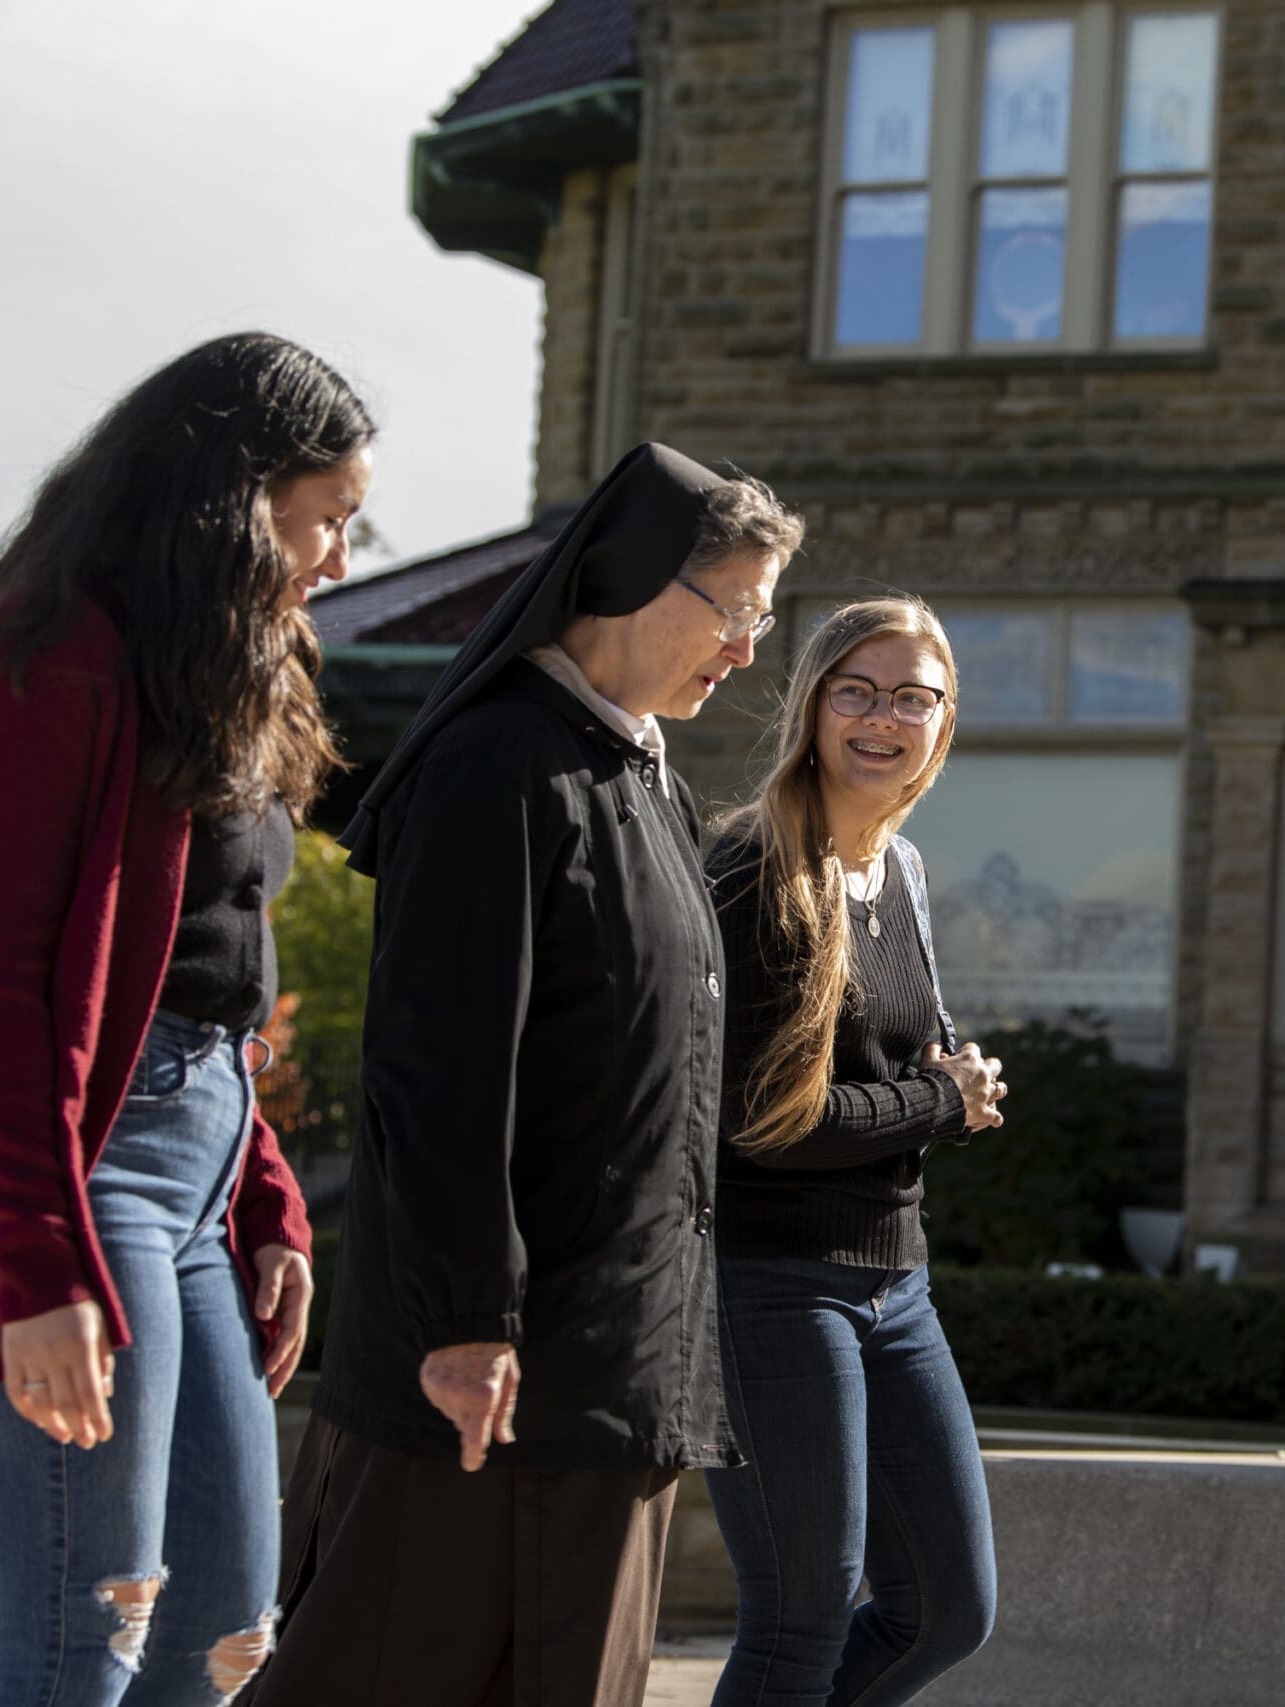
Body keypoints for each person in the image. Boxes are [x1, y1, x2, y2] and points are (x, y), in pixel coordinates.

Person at [245, 444, 803, 1707]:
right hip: (486, 1382)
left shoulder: (646, 772)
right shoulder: (496, 766)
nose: (748, 650)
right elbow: (439, 1070)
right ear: (628, 577)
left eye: (767, 618)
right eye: (734, 610)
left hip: (608, 1374)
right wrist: (463, 1322)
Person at [0, 331, 370, 1705]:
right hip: (79, 1171)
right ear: (233, 490)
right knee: (79, 1642)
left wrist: (268, 1198)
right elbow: (3, 986)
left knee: (223, 1631)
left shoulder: (218, 669)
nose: (339, 555)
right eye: (325, 517)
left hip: (197, 1172)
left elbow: (215, 975)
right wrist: (37, 1271)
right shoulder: (50, 648)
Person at [702, 596, 1002, 1707]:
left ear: (943, 721)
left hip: (896, 1286)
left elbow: (896, 1048)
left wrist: (953, 1076)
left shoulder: (904, 869)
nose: (885, 718)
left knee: (945, 1610)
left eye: (912, 698)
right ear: (814, 706)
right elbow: (771, 1126)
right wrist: (939, 1098)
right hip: (768, 1285)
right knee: (798, 1619)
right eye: (858, 692)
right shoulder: (750, 872)